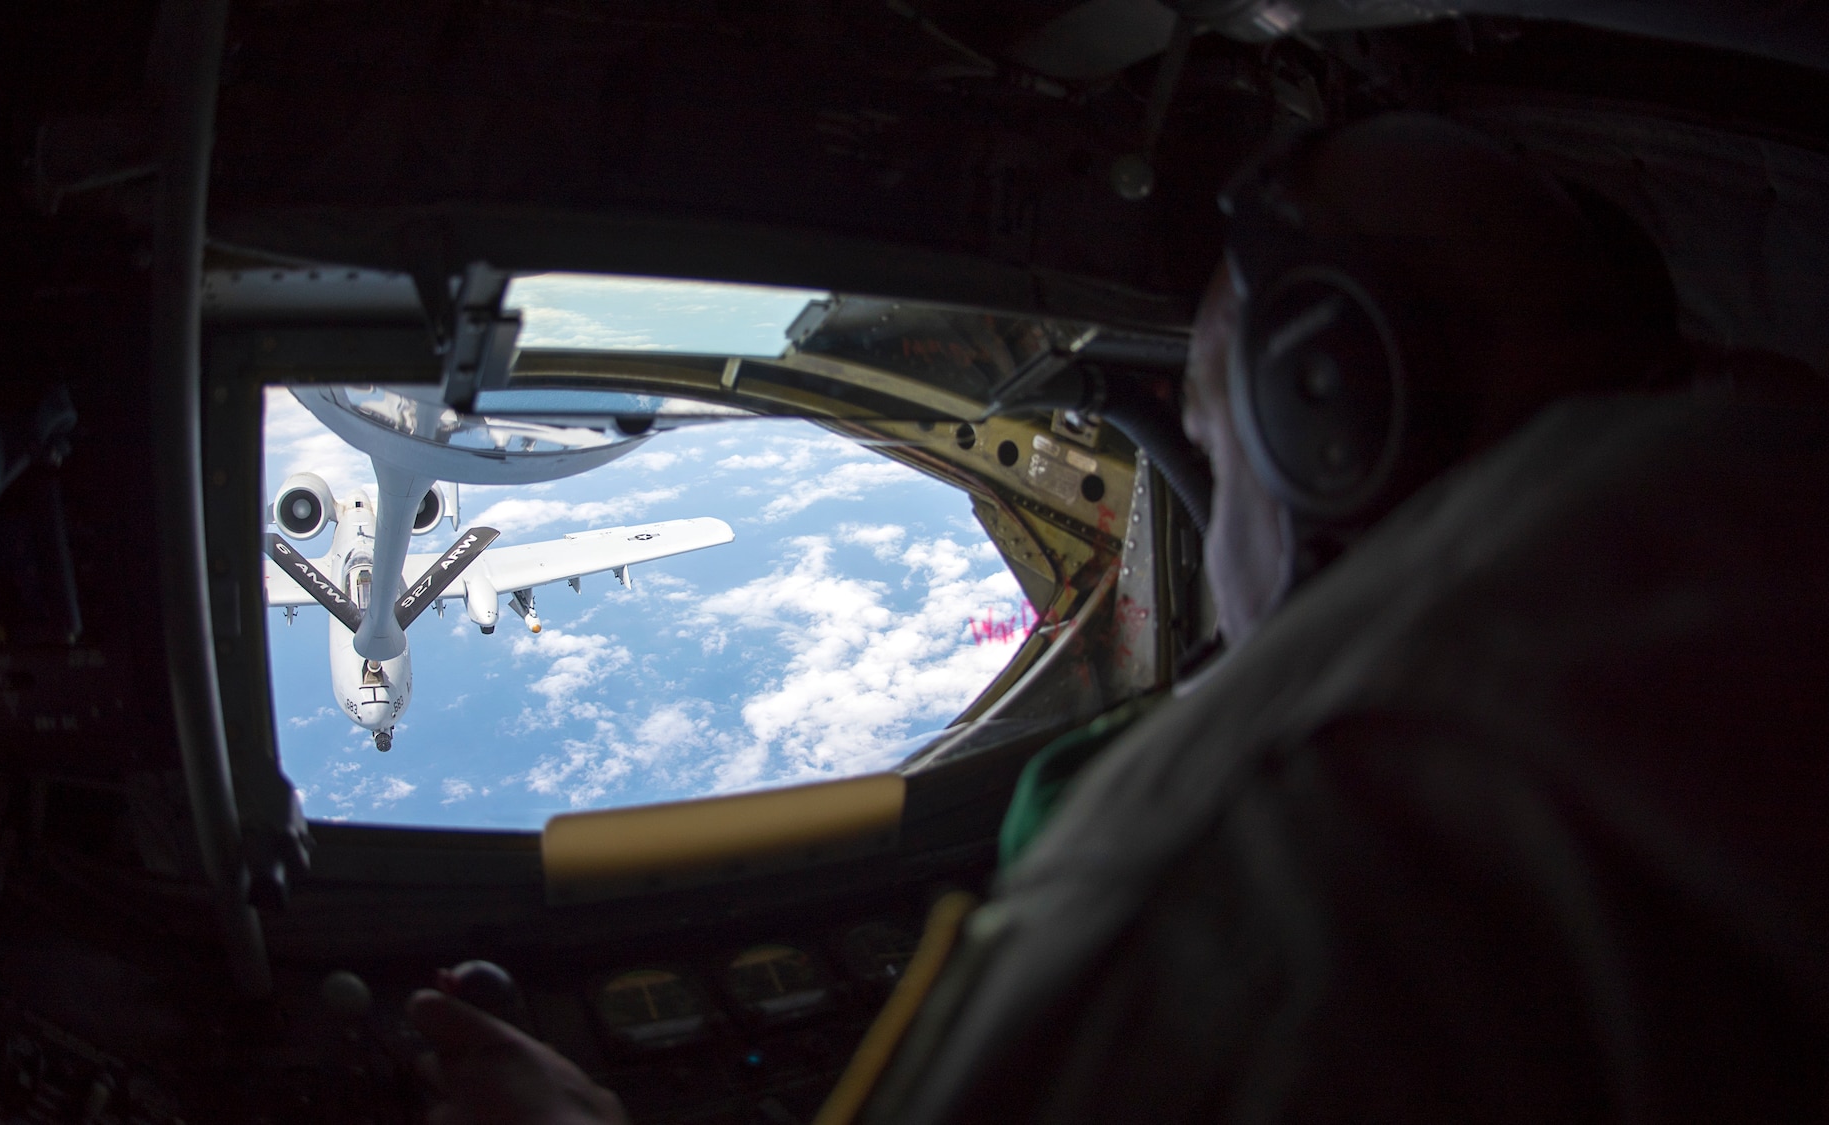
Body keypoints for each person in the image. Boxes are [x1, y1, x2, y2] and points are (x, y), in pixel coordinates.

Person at [406, 113, 1829, 1122]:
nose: (1202, 507)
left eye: (1204, 436)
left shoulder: (1278, 840)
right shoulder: (1761, 594)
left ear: (1336, 432)